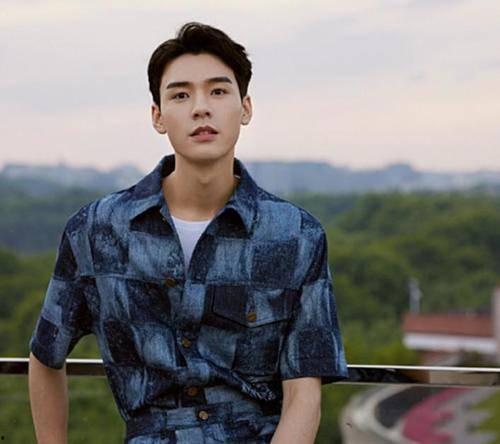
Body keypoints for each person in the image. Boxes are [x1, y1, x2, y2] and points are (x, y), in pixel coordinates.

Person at [28, 21, 348, 444]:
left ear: (245, 108)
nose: (200, 108)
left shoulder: (295, 235)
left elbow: (303, 396)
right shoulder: (97, 230)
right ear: (158, 116)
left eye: (218, 91)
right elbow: (46, 354)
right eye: (180, 95)